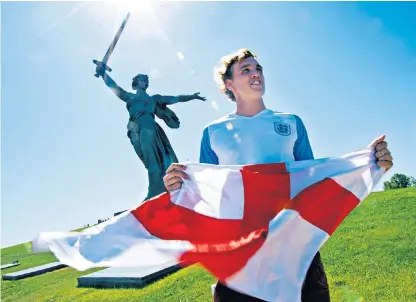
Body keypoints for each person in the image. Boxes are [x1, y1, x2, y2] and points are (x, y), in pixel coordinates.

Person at [162, 49, 393, 301]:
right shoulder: (214, 132)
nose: (256, 74)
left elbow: (313, 179)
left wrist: (369, 162)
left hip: (295, 242)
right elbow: (208, 193)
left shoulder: (291, 122)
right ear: (230, 84)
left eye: (258, 68)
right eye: (246, 70)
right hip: (243, 249)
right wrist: (178, 186)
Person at [95, 64, 207, 201]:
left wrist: (192, 96)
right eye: (141, 80)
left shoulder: (153, 99)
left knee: (151, 158)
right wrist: (103, 74)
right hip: (133, 129)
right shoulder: (129, 97)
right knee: (147, 161)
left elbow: (175, 98)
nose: (145, 82)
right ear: (135, 84)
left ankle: (155, 190)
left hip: (148, 125)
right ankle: (158, 187)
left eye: (145, 81)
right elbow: (114, 87)